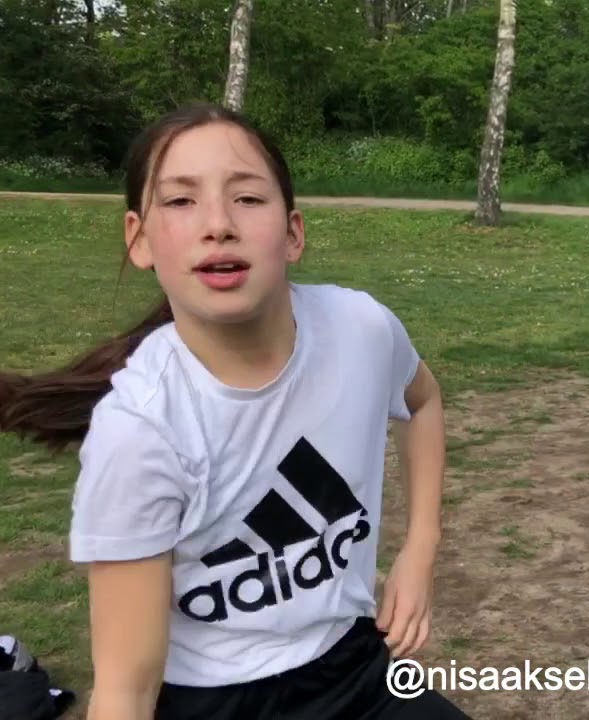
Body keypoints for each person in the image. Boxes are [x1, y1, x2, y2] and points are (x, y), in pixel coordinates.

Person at [0, 103, 471, 720]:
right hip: (215, 703)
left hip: (354, 666)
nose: (218, 224)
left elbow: (423, 400)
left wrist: (420, 550)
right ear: (139, 240)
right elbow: (126, 692)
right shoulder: (138, 431)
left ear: (294, 232)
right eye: (180, 201)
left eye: (247, 198)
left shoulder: (361, 328)